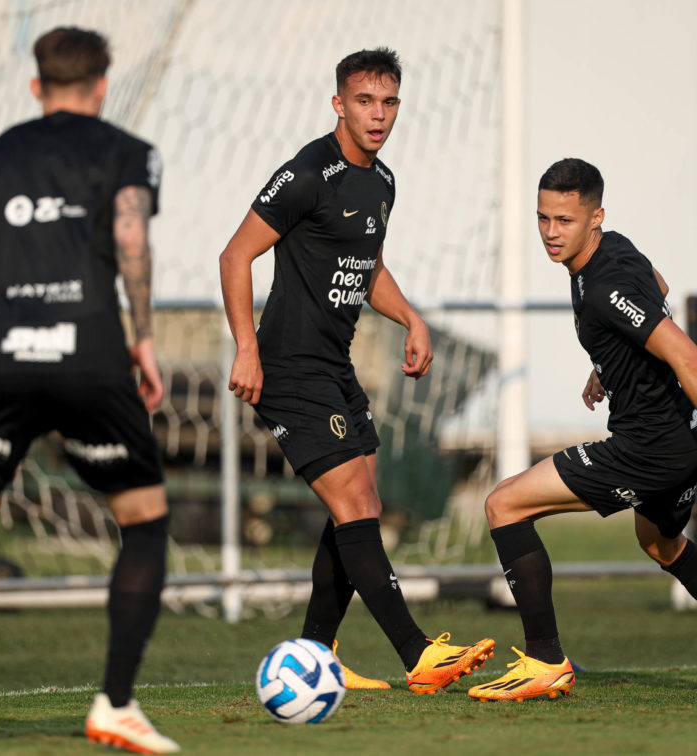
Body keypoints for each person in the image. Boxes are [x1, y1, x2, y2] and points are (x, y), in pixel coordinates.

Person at [0, 27, 178, 753]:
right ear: (101, 85)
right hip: (89, 361)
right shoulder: (127, 152)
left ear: (36, 86)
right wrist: (144, 340)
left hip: (1, 364)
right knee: (146, 522)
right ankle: (117, 704)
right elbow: (132, 243)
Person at [220, 47, 494, 694]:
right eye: (365, 101)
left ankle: (317, 655)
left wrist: (413, 319)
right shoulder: (308, 172)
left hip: (334, 365)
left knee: (354, 508)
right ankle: (417, 653)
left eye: (389, 102)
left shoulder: (383, 183)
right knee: (358, 502)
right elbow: (235, 256)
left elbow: (364, 268)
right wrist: (245, 347)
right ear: (338, 103)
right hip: (288, 366)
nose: (378, 115)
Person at [468, 158, 697, 703]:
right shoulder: (615, 249)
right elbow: (656, 289)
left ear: (595, 218)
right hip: (681, 439)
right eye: (543, 218)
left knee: (504, 505)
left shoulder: (600, 286)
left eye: (564, 221)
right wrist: (608, 361)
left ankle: (545, 661)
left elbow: (687, 356)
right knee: (660, 542)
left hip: (649, 448)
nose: (550, 232)